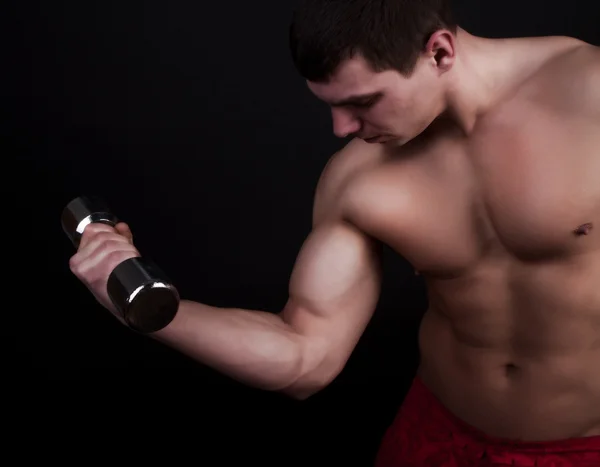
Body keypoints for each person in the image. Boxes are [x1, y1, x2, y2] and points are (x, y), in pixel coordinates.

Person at [68, 0, 600, 464]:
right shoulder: (359, 177)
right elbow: (305, 357)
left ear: (439, 52)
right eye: (331, 105)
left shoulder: (588, 97)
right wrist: (154, 312)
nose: (342, 129)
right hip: (437, 440)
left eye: (362, 102)